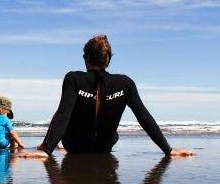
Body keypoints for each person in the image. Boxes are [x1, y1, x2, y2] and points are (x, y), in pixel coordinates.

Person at [19, 35, 194, 158]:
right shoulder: (125, 83)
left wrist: (46, 150)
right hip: (104, 147)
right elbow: (143, 116)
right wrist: (168, 150)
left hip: (75, 146)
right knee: (113, 134)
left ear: (86, 58)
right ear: (108, 60)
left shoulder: (73, 78)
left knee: (65, 114)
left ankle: (49, 145)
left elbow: (63, 114)